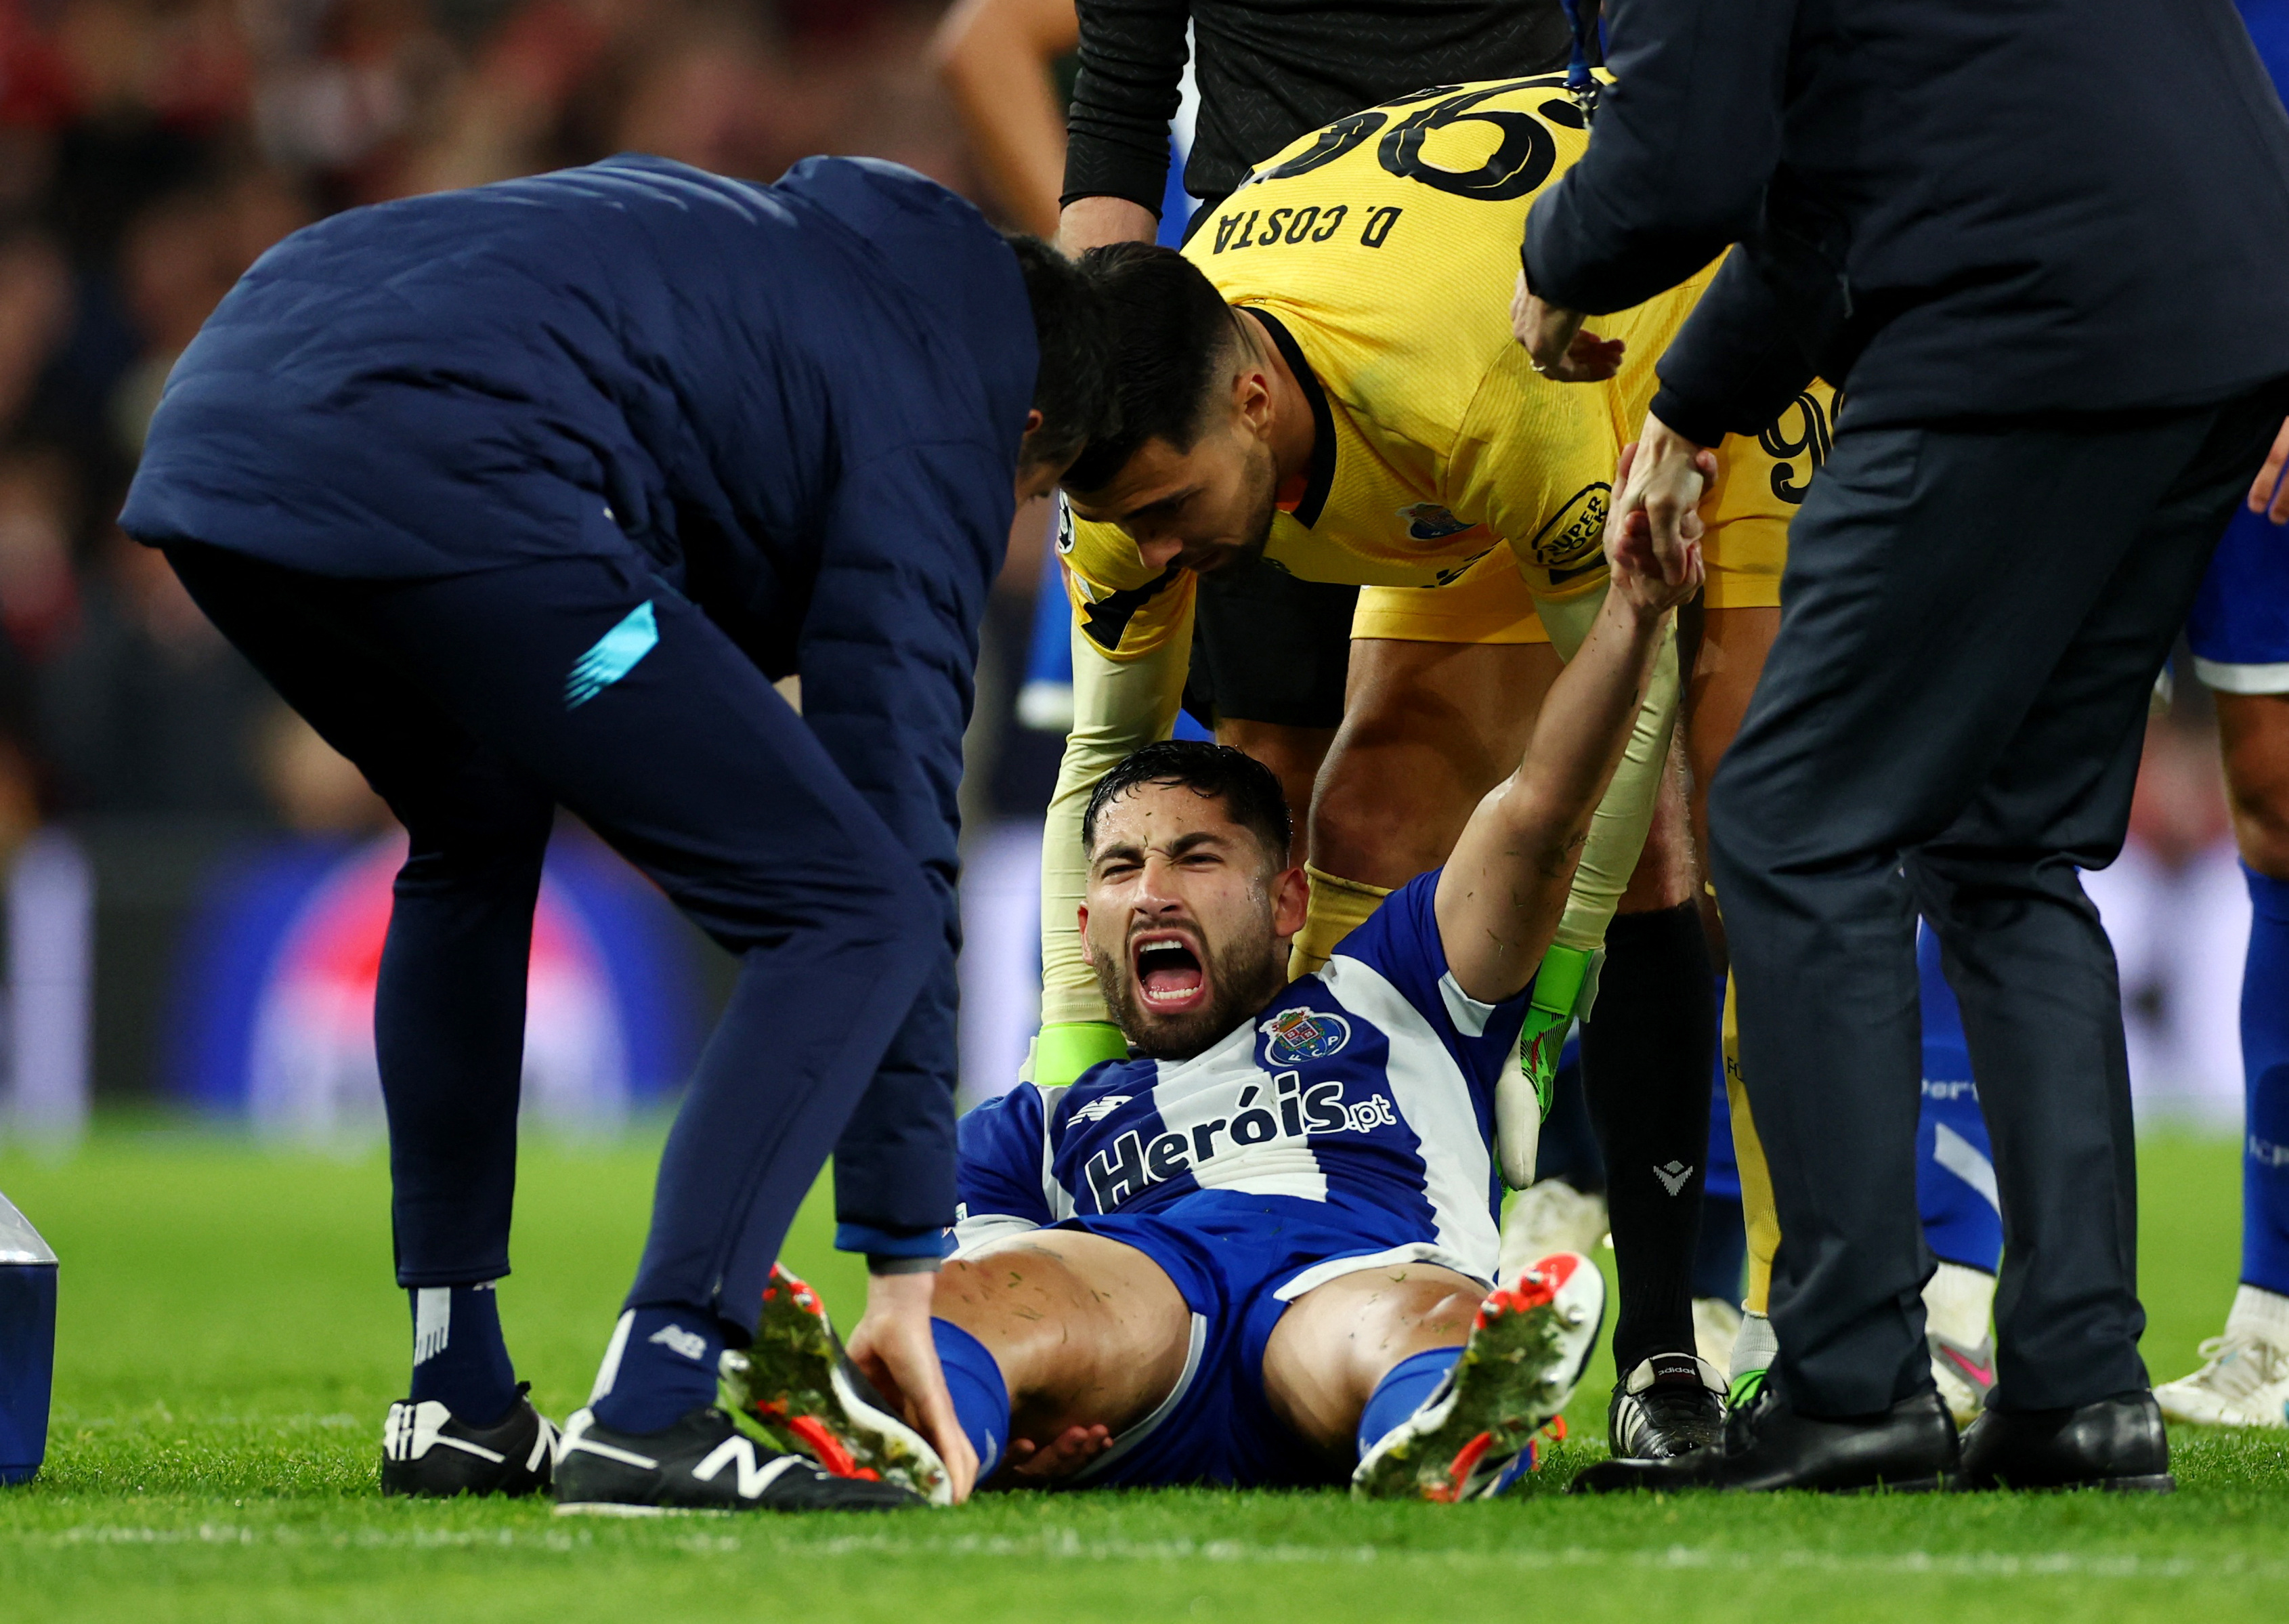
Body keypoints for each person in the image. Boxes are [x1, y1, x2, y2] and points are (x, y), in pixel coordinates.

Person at [119, 154, 1115, 1512]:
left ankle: (455, 1390)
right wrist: (903, 1249)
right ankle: (654, 1401)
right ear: (1035, 426)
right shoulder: (944, 399)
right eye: (1030, 494)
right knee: (852, 905)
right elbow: (894, 809)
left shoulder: (782, 258)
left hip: (223, 426)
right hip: (443, 464)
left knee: (472, 822)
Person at [1516, 0, 2289, 1493]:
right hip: (2221, 298)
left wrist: (1554, 261)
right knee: (2006, 839)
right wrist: (1687, 408)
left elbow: (1684, 164)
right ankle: (2078, 1385)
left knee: (1793, 822)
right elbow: (1832, 194)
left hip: (2016, 319)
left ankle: (1849, 1374)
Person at [1042, 78, 1838, 1461]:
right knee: (1372, 803)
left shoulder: (1467, 380)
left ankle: (1757, 1342)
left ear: (1251, 398)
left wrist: (1563, 957)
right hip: (1465, 449)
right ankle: (1355, 1277)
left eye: (1171, 514)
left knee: (1720, 843)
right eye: (1132, 526)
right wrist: (1074, 1043)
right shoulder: (1127, 470)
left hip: (1692, 336)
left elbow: (1629, 717)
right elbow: (1107, 755)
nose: (1156, 557)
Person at [727, 496, 1698, 1497]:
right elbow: (984, 1289)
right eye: (1120, 869)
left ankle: (1446, 1424)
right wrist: (1016, 1413)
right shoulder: (1037, 1124)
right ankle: (923, 1434)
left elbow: (1537, 815)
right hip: (1147, 1345)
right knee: (976, 1292)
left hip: (1350, 1285)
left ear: (1288, 900)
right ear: (1084, 924)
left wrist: (1630, 614)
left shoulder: (1397, 989)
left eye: (1196, 858)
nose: (1152, 891)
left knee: (1409, 1318)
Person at [2152, 0, 2289, 1433]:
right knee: (1970, 797)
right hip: (2100, 353)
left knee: (2280, 804)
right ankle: (1943, 1293)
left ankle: (2277, 1309)